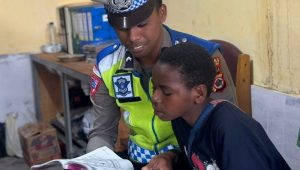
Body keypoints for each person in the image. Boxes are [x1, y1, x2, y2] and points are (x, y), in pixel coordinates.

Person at [88, 0, 237, 168]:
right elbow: (102, 132)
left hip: (191, 160)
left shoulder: (202, 58)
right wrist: (90, 164)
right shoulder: (107, 64)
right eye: (122, 28)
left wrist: (173, 157)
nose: (133, 37)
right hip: (137, 161)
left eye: (142, 24)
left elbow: (224, 132)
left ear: (162, 13)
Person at [149, 42, 291, 170]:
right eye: (154, 88)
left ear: (198, 93)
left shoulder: (233, 132)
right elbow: (199, 158)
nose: (155, 97)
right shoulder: (180, 119)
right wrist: (170, 158)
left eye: (166, 92)